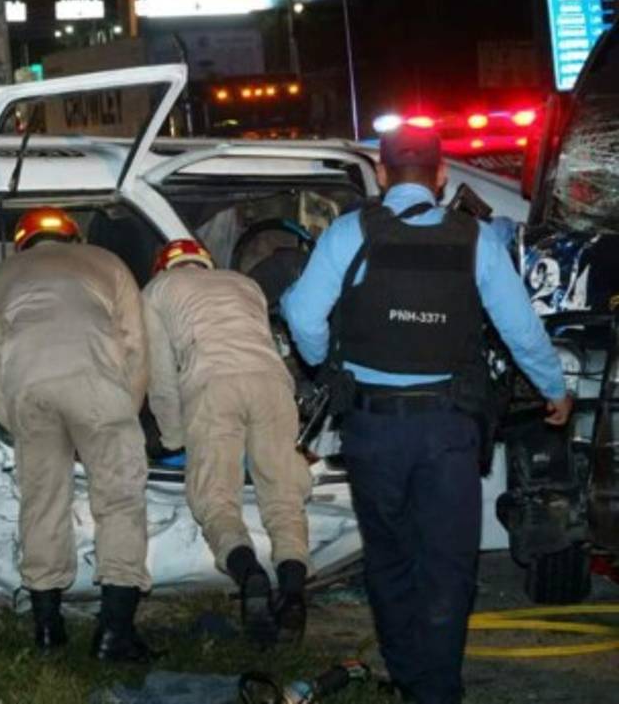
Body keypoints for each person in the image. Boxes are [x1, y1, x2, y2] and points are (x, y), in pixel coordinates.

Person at [281, 127, 571, 704]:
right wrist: (554, 389)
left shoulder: (348, 234)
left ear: (382, 175)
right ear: (441, 177)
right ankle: (435, 689)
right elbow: (520, 329)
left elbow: (301, 314)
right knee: (447, 563)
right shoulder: (477, 240)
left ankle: (412, 676)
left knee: (388, 559)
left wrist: (323, 364)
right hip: (447, 430)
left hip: (371, 427)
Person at [0, 207, 153, 662]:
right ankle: (114, 632)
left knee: (42, 502)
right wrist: (123, 411)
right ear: (74, 238)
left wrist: (15, 423)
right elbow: (135, 342)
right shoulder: (106, 262)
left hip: (28, 392)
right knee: (118, 501)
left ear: (23, 242)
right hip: (96, 384)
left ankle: (48, 629)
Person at [143, 239, 310, 646]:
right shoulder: (243, 284)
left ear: (164, 266)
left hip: (211, 385)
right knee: (283, 494)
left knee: (216, 497)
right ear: (205, 262)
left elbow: (161, 377)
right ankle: (291, 587)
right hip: (271, 384)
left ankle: (248, 572)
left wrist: (173, 438)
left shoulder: (157, 291)